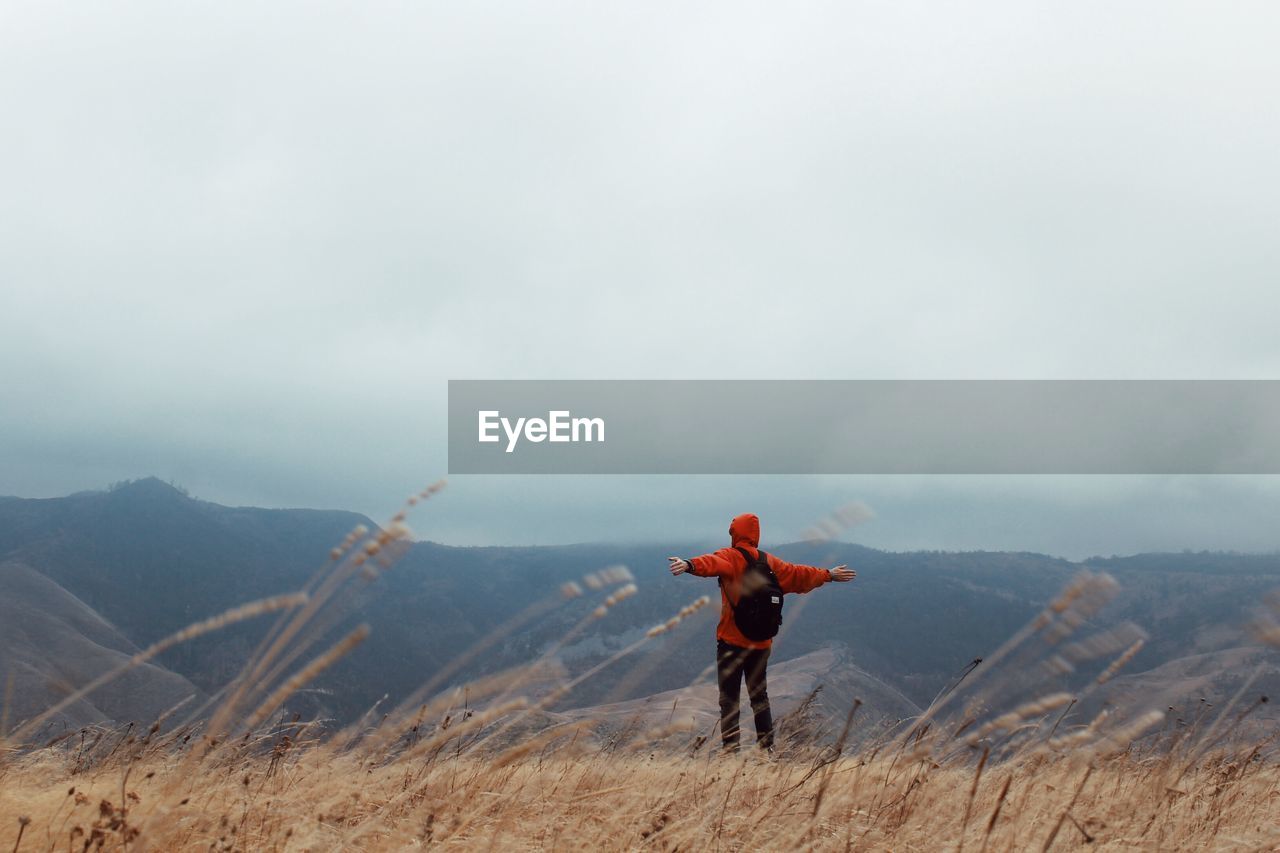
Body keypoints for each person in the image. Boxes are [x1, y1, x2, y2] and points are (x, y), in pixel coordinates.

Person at [668, 512, 856, 753]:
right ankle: (766, 750)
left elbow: (711, 563)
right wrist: (828, 575)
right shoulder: (771, 564)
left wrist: (688, 564)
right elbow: (800, 574)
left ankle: (731, 752)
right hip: (761, 644)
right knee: (759, 698)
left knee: (729, 700)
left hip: (731, 643)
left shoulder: (731, 557)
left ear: (734, 533)